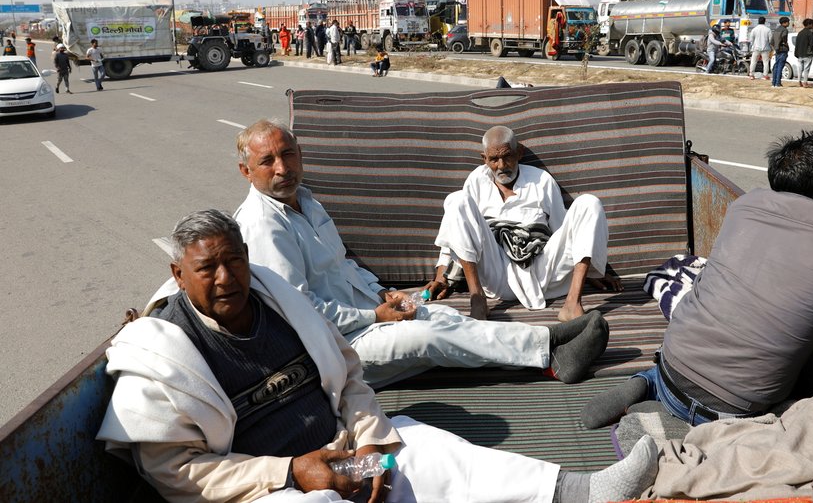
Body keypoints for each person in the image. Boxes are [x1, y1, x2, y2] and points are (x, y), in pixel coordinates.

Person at [97, 209, 658, 503]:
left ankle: (582, 490)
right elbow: (174, 473)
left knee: (439, 456)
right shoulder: (165, 350)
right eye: (206, 269)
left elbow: (351, 381)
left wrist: (369, 443)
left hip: (344, 453)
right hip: (266, 488)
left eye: (234, 262)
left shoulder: (277, 298)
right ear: (177, 275)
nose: (227, 279)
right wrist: (291, 471)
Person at [234, 120, 611, 387]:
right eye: (267, 161)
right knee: (428, 338)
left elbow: (343, 264)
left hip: (372, 314)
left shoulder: (307, 202)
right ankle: (548, 349)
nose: (282, 168)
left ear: (301, 155)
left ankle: (546, 348)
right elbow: (300, 311)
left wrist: (383, 292)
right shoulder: (263, 224)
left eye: (288, 154)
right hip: (335, 345)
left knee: (442, 316)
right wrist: (374, 313)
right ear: (246, 171)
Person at [582, 130, 813, 429]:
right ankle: (677, 415)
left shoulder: (745, 205)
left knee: (681, 363)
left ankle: (649, 380)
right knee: (801, 409)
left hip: (673, 365)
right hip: (733, 412)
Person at [433, 125, 621, 322]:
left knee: (589, 203)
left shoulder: (541, 180)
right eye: (494, 159)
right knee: (456, 200)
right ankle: (477, 299)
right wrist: (440, 277)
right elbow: (458, 226)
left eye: (508, 156)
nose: (501, 165)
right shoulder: (475, 181)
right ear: (484, 159)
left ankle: (572, 303)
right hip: (497, 273)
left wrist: (594, 270)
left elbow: (564, 230)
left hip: (542, 272)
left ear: (519, 152)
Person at [747, 16, 772, 81]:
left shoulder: (754, 29)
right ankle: (765, 75)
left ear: (758, 21)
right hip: (765, 48)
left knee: (753, 62)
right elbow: (770, 40)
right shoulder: (768, 29)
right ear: (765, 21)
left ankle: (751, 75)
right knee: (765, 62)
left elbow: (751, 39)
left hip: (756, 48)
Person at [794, 18, 813, 88]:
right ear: (809, 24)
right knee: (806, 69)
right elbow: (812, 44)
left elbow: (797, 44)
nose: (812, 25)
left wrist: (796, 53)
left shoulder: (800, 33)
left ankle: (799, 82)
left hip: (800, 54)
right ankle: (805, 83)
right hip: (808, 54)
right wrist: (812, 52)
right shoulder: (810, 33)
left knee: (800, 69)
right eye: (812, 24)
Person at [770, 16, 790, 87]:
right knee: (780, 66)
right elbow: (784, 37)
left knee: (776, 66)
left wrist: (775, 48)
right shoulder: (785, 30)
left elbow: (771, 41)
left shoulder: (776, 30)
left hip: (777, 50)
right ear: (784, 23)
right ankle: (778, 83)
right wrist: (785, 43)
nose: (789, 23)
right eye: (788, 22)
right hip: (783, 49)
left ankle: (774, 82)